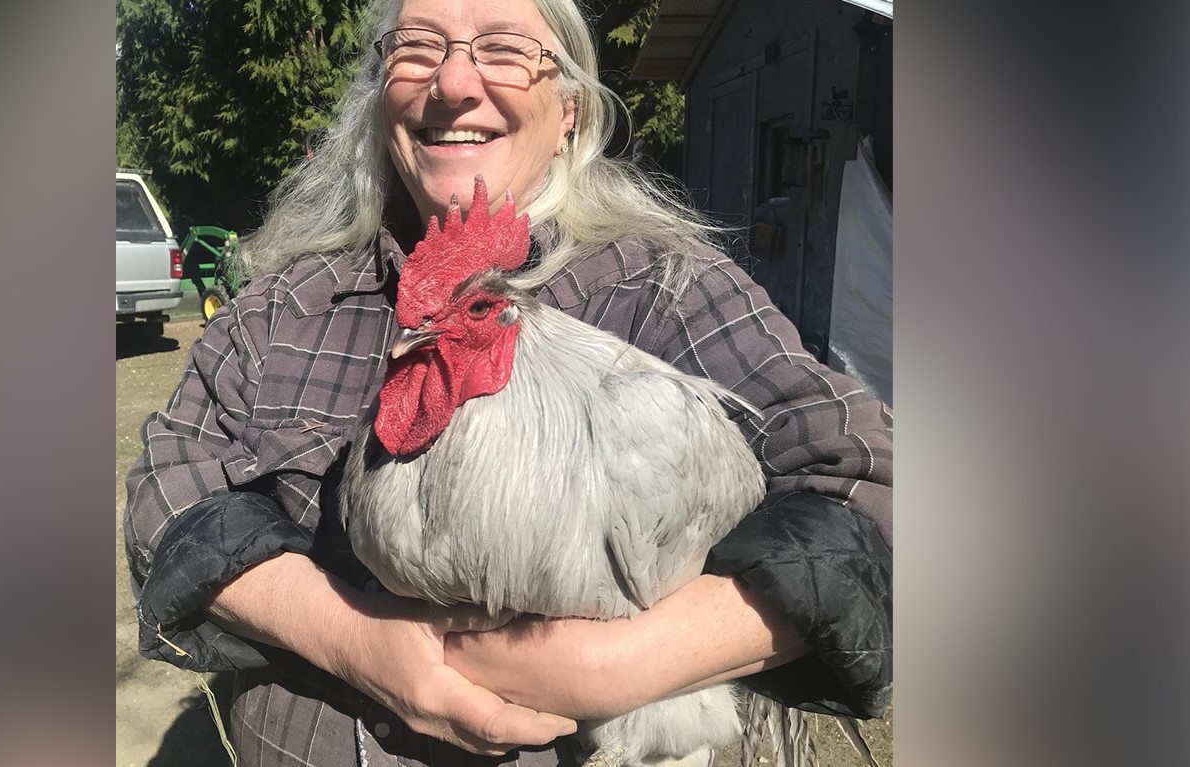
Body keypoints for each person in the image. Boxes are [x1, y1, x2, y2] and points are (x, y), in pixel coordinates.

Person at [123, 0, 893, 764]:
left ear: (569, 112)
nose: (454, 81)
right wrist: (356, 639)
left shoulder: (670, 290)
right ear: (378, 97)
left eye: (503, 48)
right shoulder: (282, 307)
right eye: (418, 47)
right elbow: (166, 493)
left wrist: (617, 663)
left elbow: (880, 490)